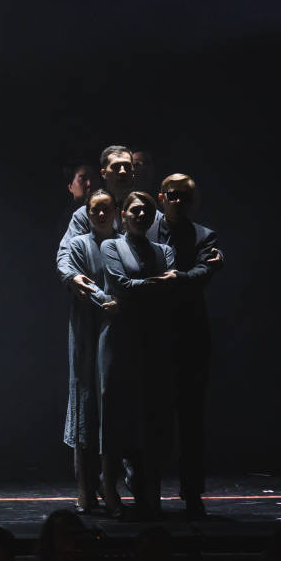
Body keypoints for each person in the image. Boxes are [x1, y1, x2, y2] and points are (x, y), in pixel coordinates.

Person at [98, 190, 176, 519]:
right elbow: (120, 284)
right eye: (135, 210)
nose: (141, 215)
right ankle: (109, 488)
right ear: (123, 214)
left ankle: (147, 491)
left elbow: (171, 289)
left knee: (149, 416)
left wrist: (143, 287)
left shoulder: (164, 250)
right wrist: (156, 284)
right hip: (119, 341)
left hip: (152, 340)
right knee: (115, 417)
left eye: (146, 211)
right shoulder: (111, 246)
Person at [155, 174, 222, 519]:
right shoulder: (145, 229)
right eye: (172, 195)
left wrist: (179, 278)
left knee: (191, 418)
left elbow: (204, 273)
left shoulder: (204, 235)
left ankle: (192, 491)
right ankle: (147, 490)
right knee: (153, 416)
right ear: (161, 197)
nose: (177, 201)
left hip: (191, 336)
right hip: (152, 337)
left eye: (184, 196)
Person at [56, 191, 118, 512]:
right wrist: (107, 300)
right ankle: (86, 487)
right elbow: (66, 261)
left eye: (107, 209)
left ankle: (112, 486)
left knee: (113, 404)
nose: (101, 214)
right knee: (84, 400)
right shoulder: (81, 238)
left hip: (119, 330)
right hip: (87, 326)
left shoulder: (122, 239)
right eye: (96, 209)